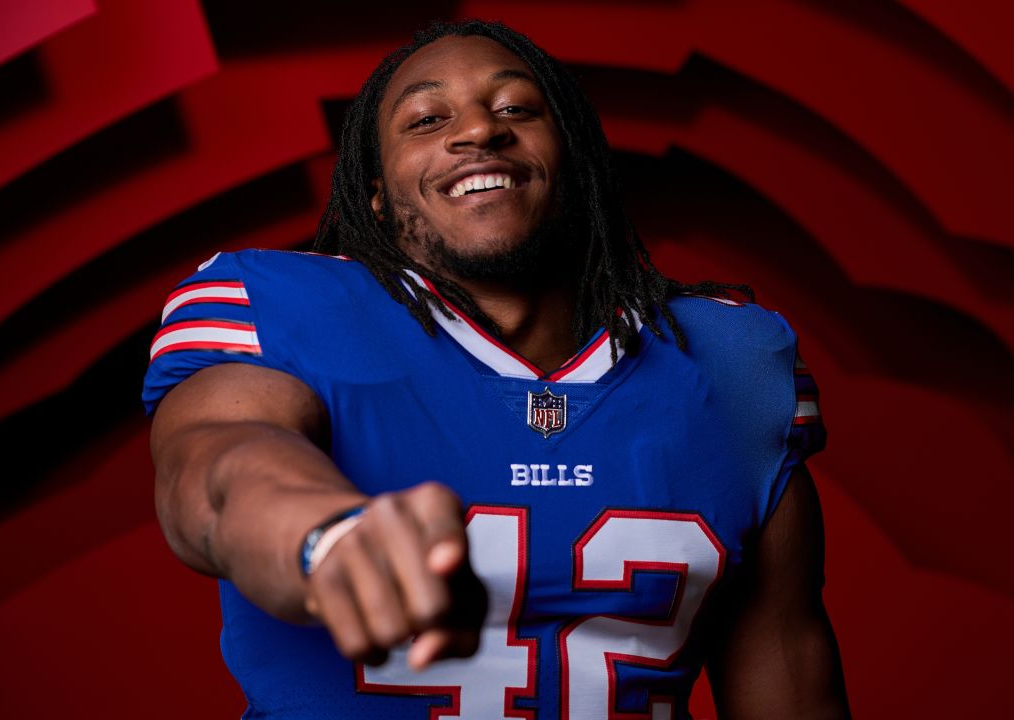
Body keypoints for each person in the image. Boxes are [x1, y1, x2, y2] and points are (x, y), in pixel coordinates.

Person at [144, 19, 850, 720]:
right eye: (426, 119)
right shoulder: (284, 305)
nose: (479, 131)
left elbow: (788, 670)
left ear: (573, 158)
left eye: (516, 108)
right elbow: (210, 472)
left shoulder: (731, 361)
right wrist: (321, 533)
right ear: (379, 195)